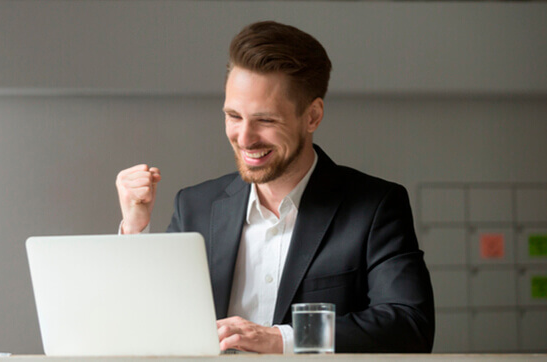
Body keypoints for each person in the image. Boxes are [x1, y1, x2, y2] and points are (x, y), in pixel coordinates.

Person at [116, 21, 434, 353]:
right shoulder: (195, 205)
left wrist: (281, 339)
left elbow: (410, 325)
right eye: (234, 116)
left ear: (312, 116)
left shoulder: (375, 207)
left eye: (265, 120)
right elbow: (151, 321)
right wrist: (136, 231)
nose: (245, 138)